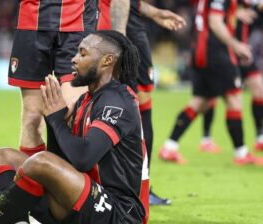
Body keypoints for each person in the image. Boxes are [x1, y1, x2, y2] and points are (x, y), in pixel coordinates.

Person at [0, 30, 149, 224]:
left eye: (82, 53)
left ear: (107, 60)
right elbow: (63, 162)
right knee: (0, 157)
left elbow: (83, 158)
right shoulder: (87, 100)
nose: (73, 59)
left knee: (39, 162)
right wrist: (54, 121)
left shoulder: (117, 101)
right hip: (83, 205)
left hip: (118, 218)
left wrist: (57, 121)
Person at [0, 0, 97, 157]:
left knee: (74, 110)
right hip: (31, 24)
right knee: (32, 116)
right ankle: (33, 178)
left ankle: (69, 178)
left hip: (78, 23)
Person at [159, 0, 263, 166]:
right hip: (216, 52)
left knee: (200, 102)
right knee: (235, 99)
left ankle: (169, 147)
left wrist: (236, 14)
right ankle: (241, 153)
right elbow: (214, 22)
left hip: (201, 51)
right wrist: (235, 45)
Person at [109, 0, 186, 205]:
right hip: (122, 38)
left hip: (124, 37)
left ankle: (137, 189)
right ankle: (136, 190)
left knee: (134, 111)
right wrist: (119, 41)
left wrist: (154, 13)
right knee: (132, 112)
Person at [199, 1, 263, 153]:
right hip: (226, 52)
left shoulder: (249, 6)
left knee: (259, 90)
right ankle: (206, 138)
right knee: (210, 98)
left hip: (244, 53)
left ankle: (259, 136)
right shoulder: (226, 5)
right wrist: (234, 15)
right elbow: (214, 19)